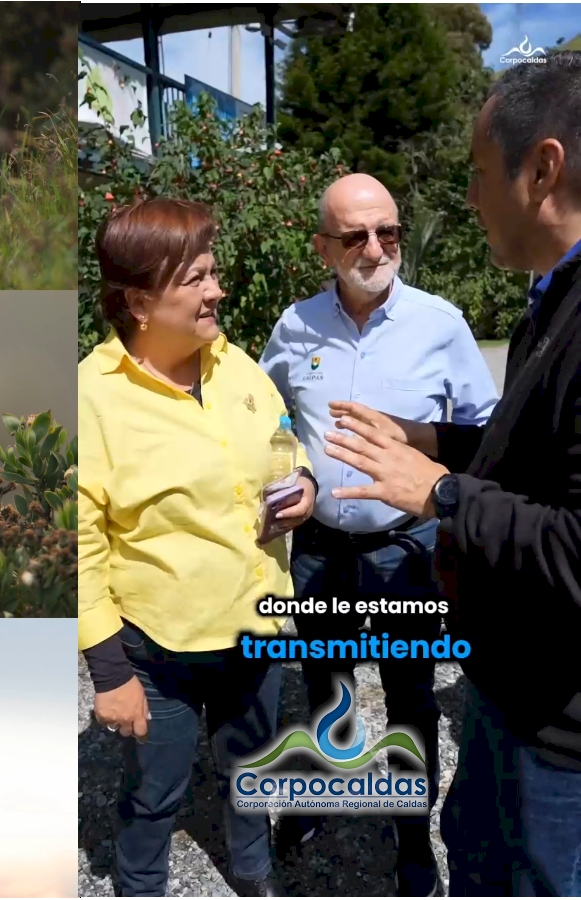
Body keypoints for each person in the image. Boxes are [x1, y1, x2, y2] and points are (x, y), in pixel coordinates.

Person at [323, 53, 581, 896]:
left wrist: (436, 492)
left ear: (540, 169)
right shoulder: (550, 299)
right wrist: (425, 440)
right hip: (508, 700)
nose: (468, 201)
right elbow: (527, 457)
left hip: (558, 739)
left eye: (476, 176)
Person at [259, 173, 498, 897]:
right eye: (355, 236)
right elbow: (268, 420)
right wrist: (293, 473)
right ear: (322, 247)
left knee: (411, 701)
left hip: (407, 552)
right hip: (322, 550)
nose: (374, 248)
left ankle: (410, 838)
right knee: (326, 686)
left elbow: (482, 434)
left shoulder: (439, 323)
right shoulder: (293, 327)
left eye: (386, 231)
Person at [79, 197, 317, 897]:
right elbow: (79, 547)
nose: (215, 291)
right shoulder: (91, 399)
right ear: (138, 301)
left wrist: (301, 481)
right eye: (195, 279)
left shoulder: (233, 362)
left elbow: (282, 442)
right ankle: (141, 886)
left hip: (256, 631)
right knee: (153, 795)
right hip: (161, 652)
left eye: (212, 274)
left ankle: (253, 875)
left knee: (249, 773)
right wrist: (110, 673)